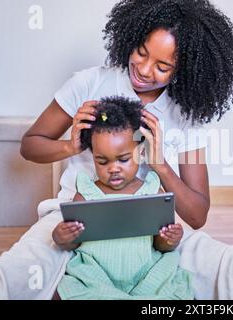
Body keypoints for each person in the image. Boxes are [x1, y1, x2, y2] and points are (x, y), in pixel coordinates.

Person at [0, 0, 233, 299]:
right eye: (143, 52)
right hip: (76, 222)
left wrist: (160, 165)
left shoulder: (188, 113)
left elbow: (196, 215)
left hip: (155, 232)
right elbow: (30, 146)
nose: (145, 69)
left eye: (163, 66)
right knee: (13, 269)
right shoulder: (88, 84)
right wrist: (70, 144)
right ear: (133, 36)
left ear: (184, 70)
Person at [52, 96, 193, 300]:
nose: (114, 168)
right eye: (102, 161)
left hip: (146, 274)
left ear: (140, 152)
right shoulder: (86, 193)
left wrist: (169, 239)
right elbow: (73, 243)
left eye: (124, 159)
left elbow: (160, 246)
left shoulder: (153, 191)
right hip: (97, 276)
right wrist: (62, 237)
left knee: (174, 290)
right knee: (65, 291)